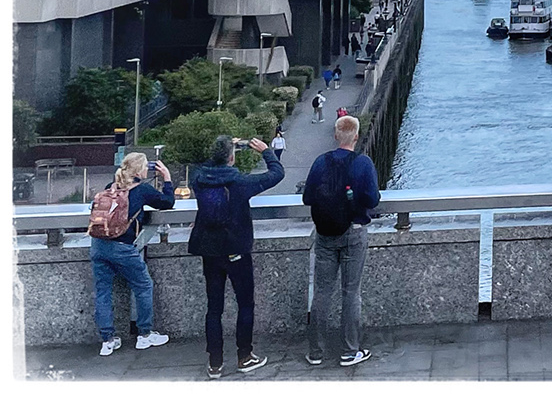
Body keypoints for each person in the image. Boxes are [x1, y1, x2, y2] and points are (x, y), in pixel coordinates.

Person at [188, 135, 284, 379]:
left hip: (209, 251)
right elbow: (276, 174)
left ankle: (215, 363)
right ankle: (244, 356)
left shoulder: (198, 179)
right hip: (236, 249)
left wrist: (224, 146)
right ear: (232, 158)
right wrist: (266, 151)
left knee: (214, 308)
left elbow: (210, 165)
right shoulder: (240, 183)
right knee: (245, 304)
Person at [303, 115, 381, 368]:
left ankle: (316, 351)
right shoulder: (363, 163)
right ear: (356, 137)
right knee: (350, 292)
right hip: (353, 233)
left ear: (336, 135)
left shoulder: (320, 162)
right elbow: (372, 200)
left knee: (322, 292)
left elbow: (307, 198)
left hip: (325, 234)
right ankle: (349, 351)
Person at [88, 152, 174, 356]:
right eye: (145, 167)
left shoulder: (111, 186)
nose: (147, 170)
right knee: (143, 285)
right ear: (138, 170)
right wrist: (167, 178)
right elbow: (168, 202)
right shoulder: (142, 189)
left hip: (98, 245)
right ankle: (144, 335)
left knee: (103, 292)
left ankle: (107, 341)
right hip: (122, 248)